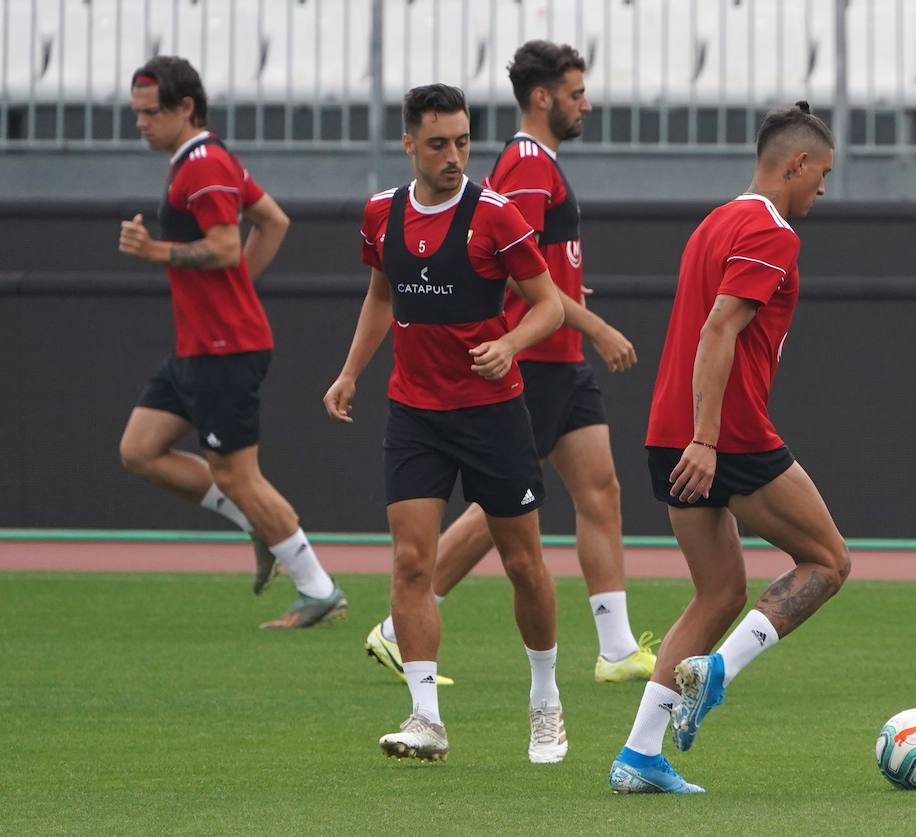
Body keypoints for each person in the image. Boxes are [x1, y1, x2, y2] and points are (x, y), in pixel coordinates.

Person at [363, 41, 656, 689]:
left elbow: (542, 267)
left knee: (600, 489)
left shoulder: (538, 162)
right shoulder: (525, 164)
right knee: (503, 510)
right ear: (544, 97)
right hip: (537, 358)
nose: (587, 103)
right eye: (577, 93)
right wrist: (595, 325)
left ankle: (615, 646)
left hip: (561, 357)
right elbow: (513, 271)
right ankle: (396, 625)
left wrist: (577, 301)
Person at [607, 102, 849, 795]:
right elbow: (718, 330)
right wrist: (710, 439)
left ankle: (639, 755)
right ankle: (718, 672)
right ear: (794, 164)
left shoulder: (714, 221)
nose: (823, 190)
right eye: (822, 174)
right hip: (725, 437)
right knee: (830, 560)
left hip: (667, 436)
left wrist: (692, 438)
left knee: (717, 593)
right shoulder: (769, 231)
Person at [324, 83, 569, 764]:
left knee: (524, 563)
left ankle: (545, 699)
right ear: (409, 144)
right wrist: (350, 373)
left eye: (462, 141)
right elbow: (382, 294)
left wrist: (511, 345)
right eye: (438, 144)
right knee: (410, 563)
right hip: (415, 412)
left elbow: (548, 304)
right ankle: (426, 717)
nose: (454, 156)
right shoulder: (380, 214)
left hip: (492, 413)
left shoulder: (495, 216)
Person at [116, 55, 345, 628]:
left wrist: (156, 252)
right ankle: (256, 522)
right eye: (136, 113)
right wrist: (239, 284)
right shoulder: (201, 159)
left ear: (185, 108)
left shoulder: (204, 165)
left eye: (150, 113)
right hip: (198, 345)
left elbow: (222, 245)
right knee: (140, 450)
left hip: (225, 348)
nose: (140, 123)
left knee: (240, 476)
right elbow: (273, 220)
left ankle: (318, 589)